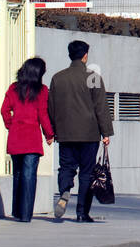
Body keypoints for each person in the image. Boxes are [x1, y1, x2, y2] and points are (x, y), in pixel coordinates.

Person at [48, 40, 114, 223]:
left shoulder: (57, 78)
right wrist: (106, 132)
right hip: (89, 134)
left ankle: (64, 191)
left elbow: (51, 107)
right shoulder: (93, 77)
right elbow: (100, 107)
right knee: (86, 173)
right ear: (85, 55)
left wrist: (53, 130)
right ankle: (82, 212)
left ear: (70, 55)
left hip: (66, 134)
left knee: (66, 168)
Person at [1, 57, 55, 223]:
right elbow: (43, 114)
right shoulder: (42, 90)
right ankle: (25, 214)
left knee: (18, 174)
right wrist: (49, 134)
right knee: (29, 176)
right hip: (32, 137)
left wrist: (12, 125)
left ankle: (17, 211)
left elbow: (4, 110)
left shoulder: (13, 88)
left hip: (16, 136)